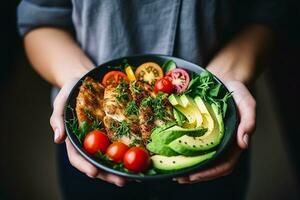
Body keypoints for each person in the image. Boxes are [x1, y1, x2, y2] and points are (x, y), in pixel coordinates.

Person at [17, 0, 285, 199]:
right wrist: (78, 81)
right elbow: (42, 20)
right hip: (94, 159)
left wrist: (227, 77)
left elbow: (266, 14)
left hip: (210, 156)